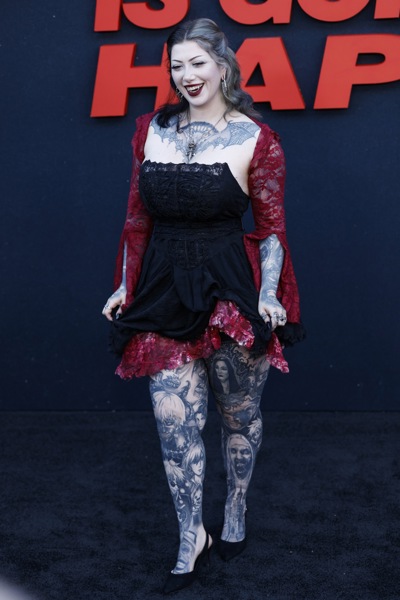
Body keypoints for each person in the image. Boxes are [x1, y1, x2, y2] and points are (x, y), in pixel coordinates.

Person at [102, 17, 305, 594]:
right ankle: (191, 536)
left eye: (197, 63)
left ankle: (236, 506)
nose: (186, 75)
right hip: (162, 287)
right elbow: (136, 220)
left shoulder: (255, 138)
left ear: (223, 66)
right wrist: (124, 285)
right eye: (176, 65)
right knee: (175, 427)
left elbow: (271, 229)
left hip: (230, 289)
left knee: (239, 416)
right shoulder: (151, 130)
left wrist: (269, 293)